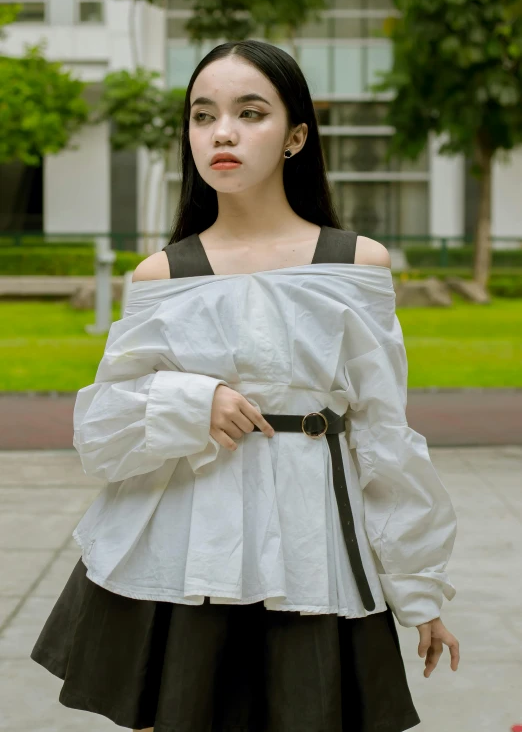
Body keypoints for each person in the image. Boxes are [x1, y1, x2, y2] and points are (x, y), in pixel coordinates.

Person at [31, 40, 460, 732]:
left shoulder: (355, 266)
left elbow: (383, 433)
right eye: (203, 115)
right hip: (181, 552)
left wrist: (417, 587)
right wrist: (192, 403)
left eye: (249, 112)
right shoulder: (162, 274)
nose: (222, 132)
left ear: (297, 135)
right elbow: (102, 433)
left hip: (312, 553)